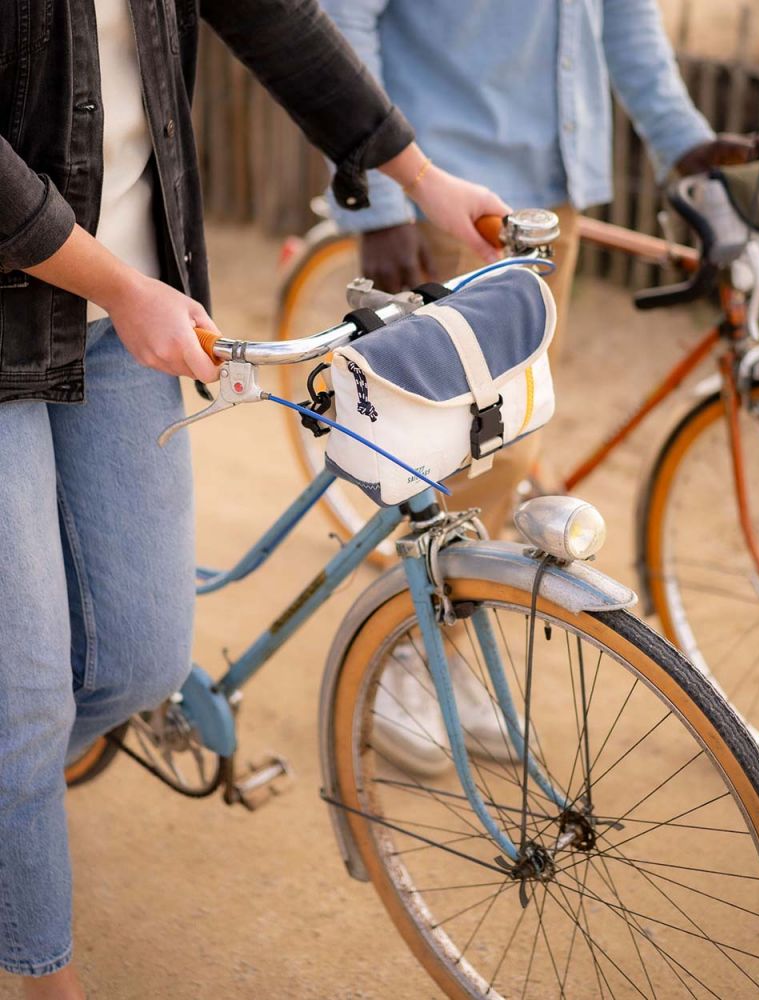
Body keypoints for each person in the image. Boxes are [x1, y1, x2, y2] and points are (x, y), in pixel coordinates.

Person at [0, 1, 509, 995]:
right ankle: (43, 973)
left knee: (141, 660)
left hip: (128, 304)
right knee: (22, 702)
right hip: (58, 304)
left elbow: (274, 19)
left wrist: (419, 176)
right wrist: (119, 287)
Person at [322, 0, 759, 776]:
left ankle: (444, 650)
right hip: (441, 184)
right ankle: (409, 660)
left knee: (511, 443)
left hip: (552, 199)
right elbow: (342, 18)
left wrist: (686, 144)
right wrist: (380, 197)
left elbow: (625, 22)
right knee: (468, 454)